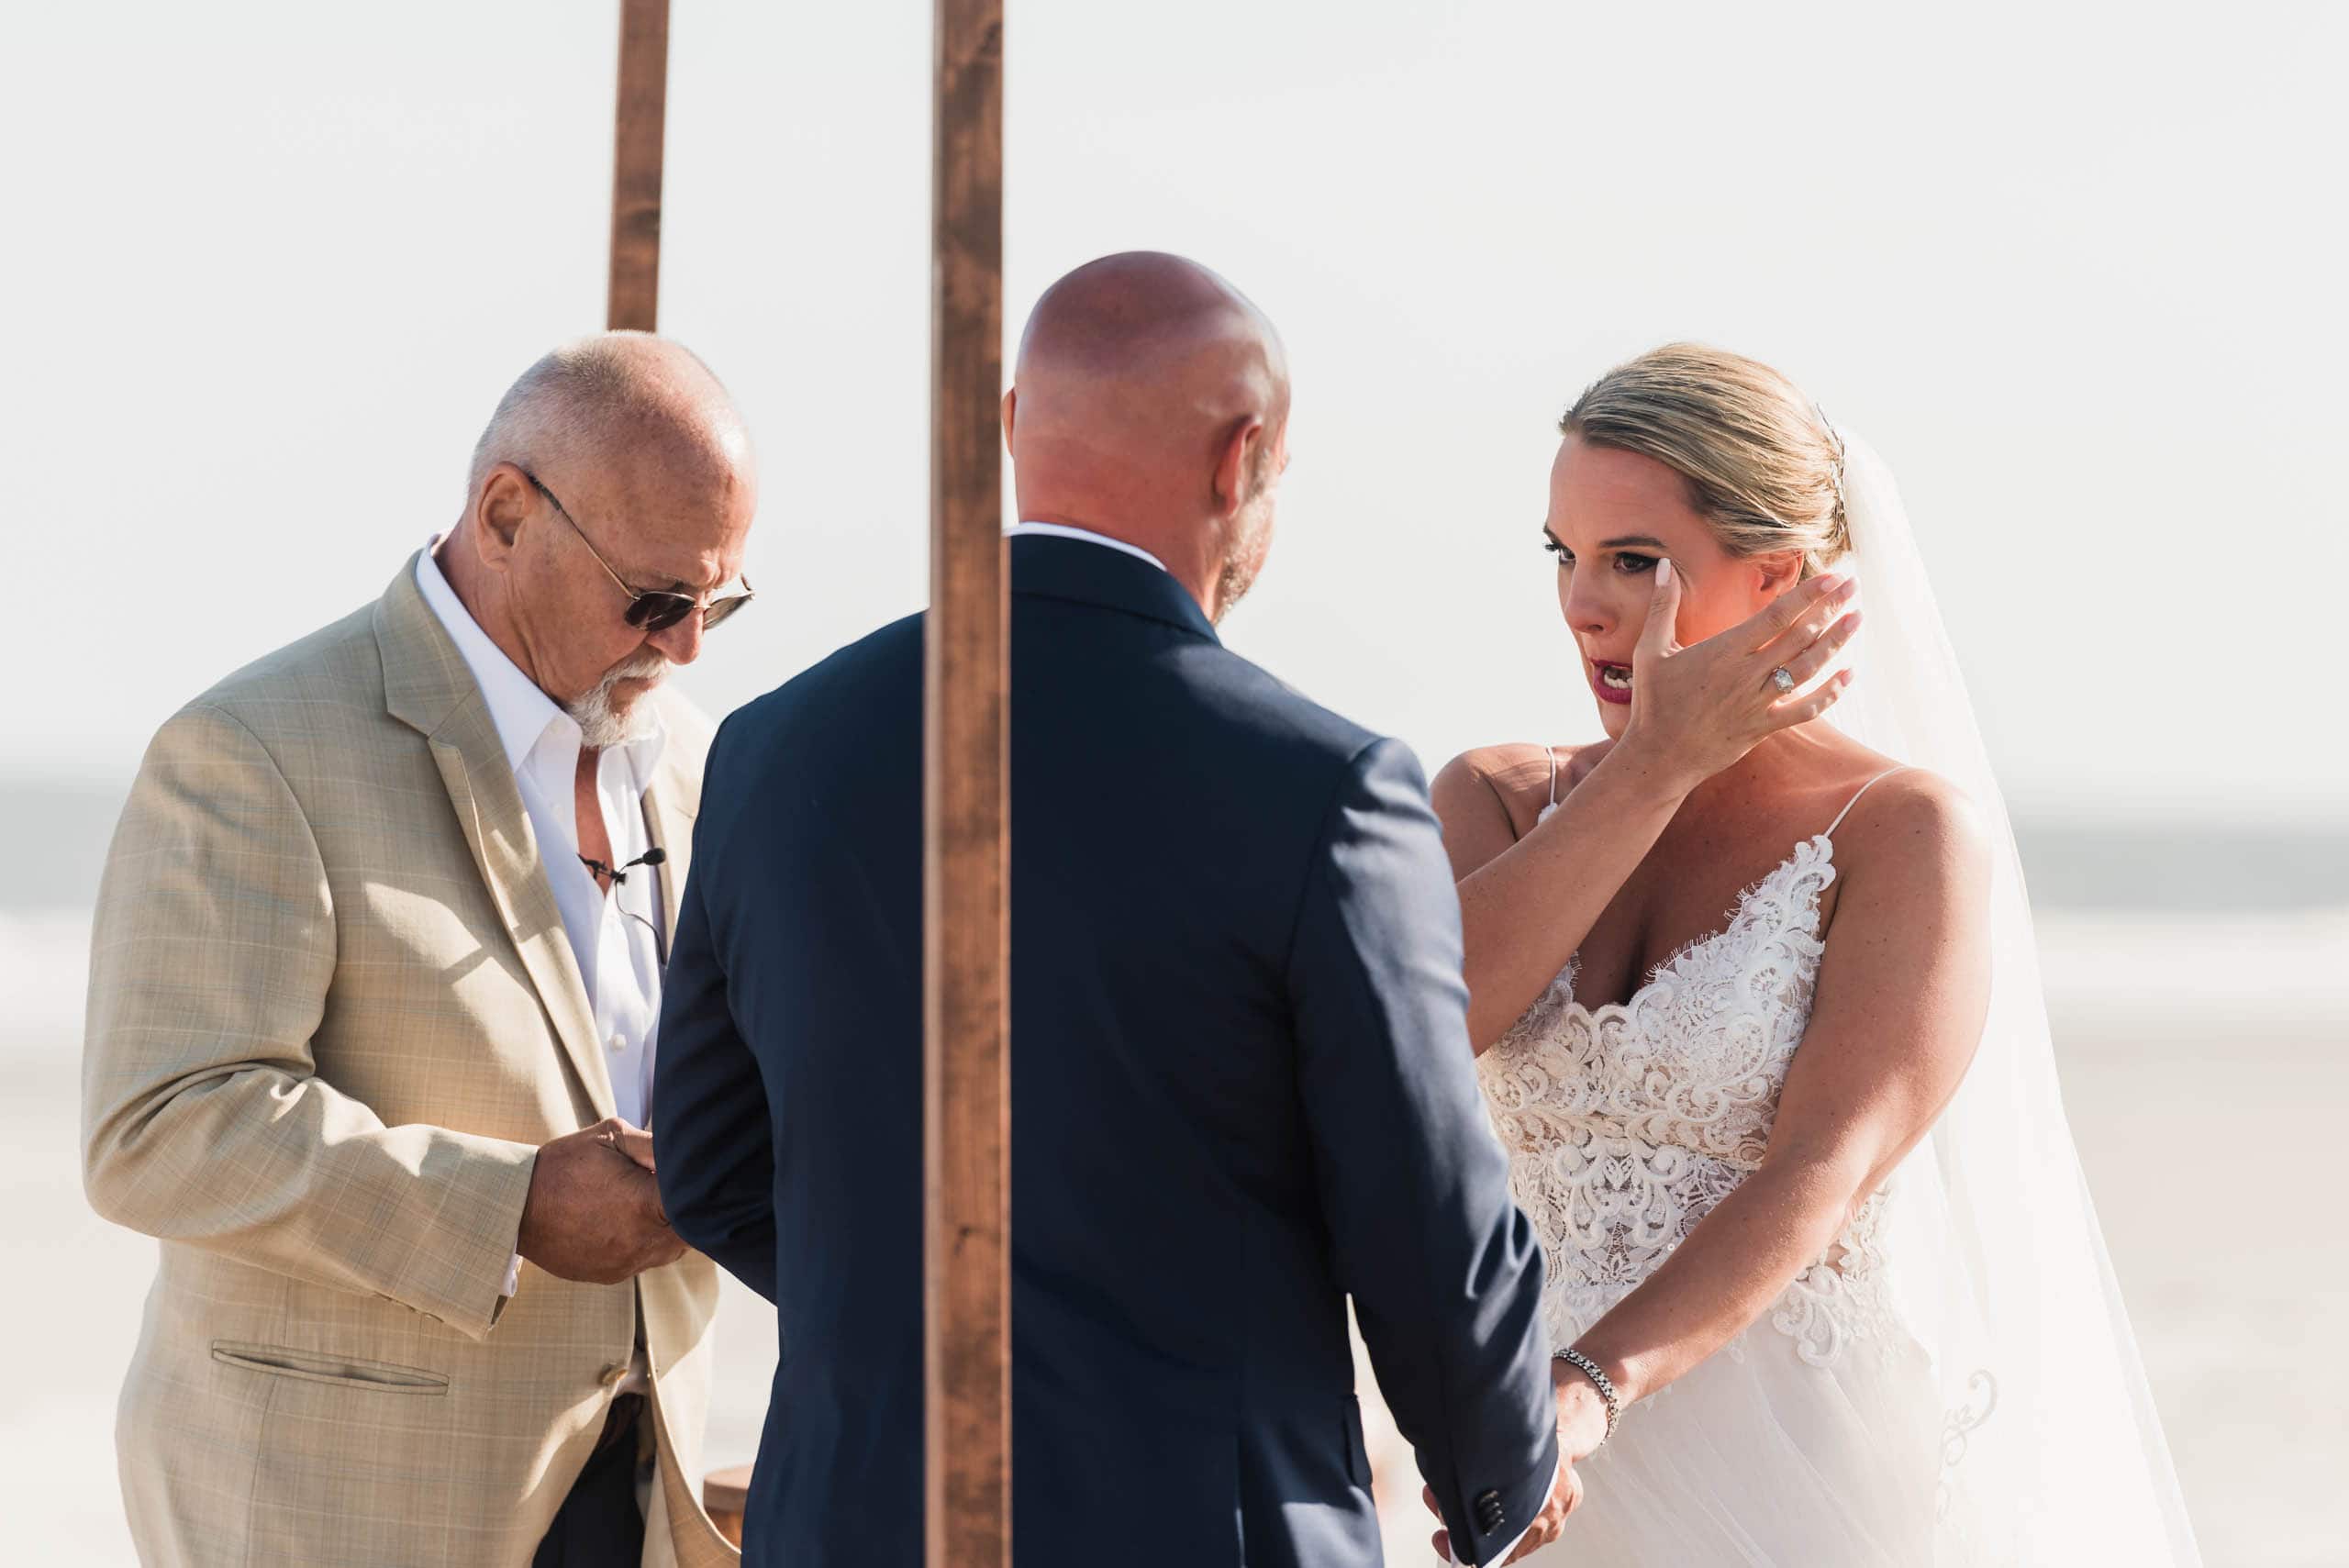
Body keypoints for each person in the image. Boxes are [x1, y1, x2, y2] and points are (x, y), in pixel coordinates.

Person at [654, 252, 1564, 1565]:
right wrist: (1501, 1477)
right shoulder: (1326, 789)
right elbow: (1424, 1227)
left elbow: (711, 1162)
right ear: (1238, 460)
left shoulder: (772, 748)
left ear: (1017, 426)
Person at [1439, 343, 2201, 1563]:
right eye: (1562, 554)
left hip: (1779, 1473)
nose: (1582, 602)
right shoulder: (1493, 800)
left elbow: (1822, 1169)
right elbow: (1433, 1020)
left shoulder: (1905, 837)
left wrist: (1588, 1387)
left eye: (1634, 560)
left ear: (1779, 581)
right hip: (1518, 1465)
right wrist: (1653, 768)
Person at [82, 333, 760, 1568]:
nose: (688, 647)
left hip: (650, 1497)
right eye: (656, 600)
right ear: (505, 513)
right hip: (340, 1512)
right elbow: (158, 1126)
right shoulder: (252, 748)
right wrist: (507, 1208)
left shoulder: (705, 765)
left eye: (717, 602)